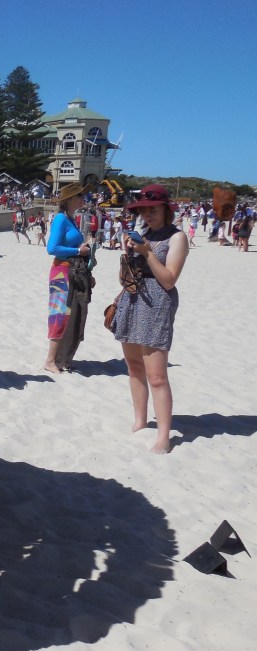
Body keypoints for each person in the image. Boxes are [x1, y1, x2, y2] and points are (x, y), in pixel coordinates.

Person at [113, 185, 189, 454]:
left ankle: (164, 436)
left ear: (166, 209)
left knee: (157, 376)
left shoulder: (177, 237)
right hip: (133, 301)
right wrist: (130, 252)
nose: (148, 214)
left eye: (153, 209)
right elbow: (129, 275)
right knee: (134, 366)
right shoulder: (144, 234)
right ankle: (140, 420)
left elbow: (169, 280)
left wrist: (146, 252)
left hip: (157, 304)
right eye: (143, 210)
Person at [43, 182, 92, 374]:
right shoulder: (61, 219)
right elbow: (52, 248)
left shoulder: (71, 219)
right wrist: (78, 250)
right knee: (59, 314)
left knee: (69, 314)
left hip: (72, 270)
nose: (83, 199)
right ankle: (49, 360)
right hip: (61, 271)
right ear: (70, 199)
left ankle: (59, 358)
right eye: (80, 196)